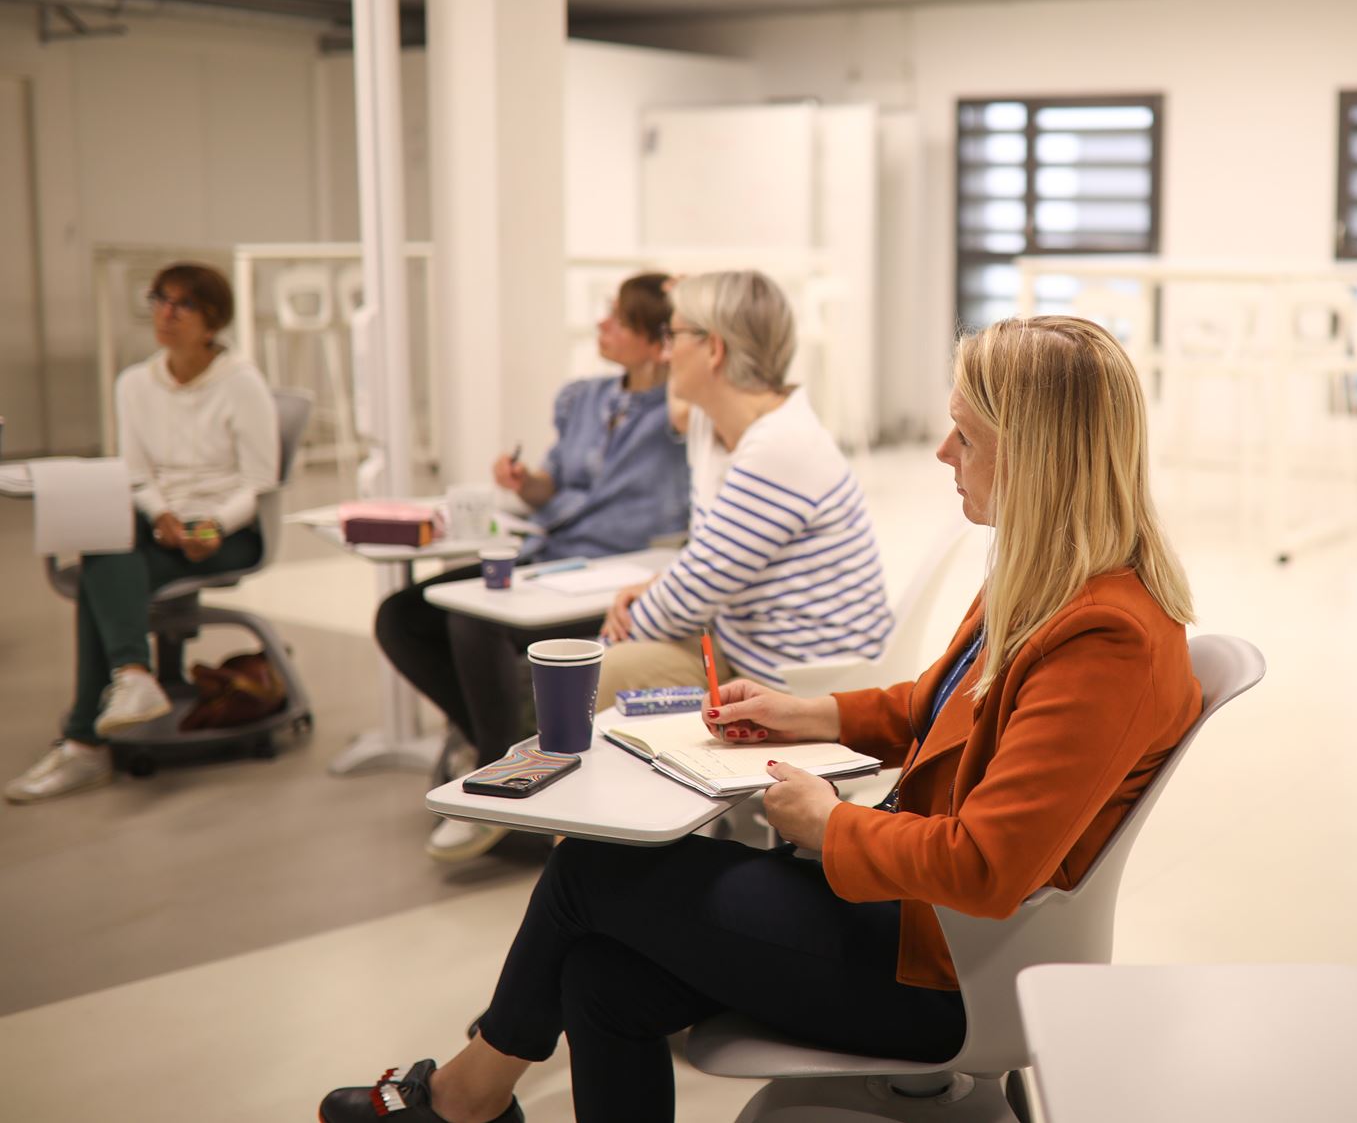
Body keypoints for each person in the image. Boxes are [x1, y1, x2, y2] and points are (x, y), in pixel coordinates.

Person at [318, 315, 1202, 1123]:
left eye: (964, 435)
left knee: (592, 873)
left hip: (950, 971)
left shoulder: (1103, 640)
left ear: (1037, 456)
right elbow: (930, 708)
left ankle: (465, 1097)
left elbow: (985, 865)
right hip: (921, 921)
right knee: (601, 972)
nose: (939, 451)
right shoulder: (1058, 580)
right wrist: (807, 711)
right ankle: (471, 1093)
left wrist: (830, 823)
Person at [374, 272, 692, 862]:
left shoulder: (681, 414)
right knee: (403, 616)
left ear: (658, 340)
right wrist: (527, 483)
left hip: (613, 575)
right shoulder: (584, 398)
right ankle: (491, 743)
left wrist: (688, 307)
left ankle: (505, 781)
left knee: (474, 623)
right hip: (550, 558)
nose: (601, 324)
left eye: (618, 318)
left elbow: (686, 401)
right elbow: (554, 487)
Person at [6, 262, 278, 805]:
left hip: (230, 529)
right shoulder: (134, 384)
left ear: (213, 321)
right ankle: (129, 679)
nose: (165, 314)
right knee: (110, 532)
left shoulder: (242, 384)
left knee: (97, 575)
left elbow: (259, 483)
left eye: (183, 305)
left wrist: (210, 525)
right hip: (162, 525)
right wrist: (160, 515)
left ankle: (89, 739)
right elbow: (135, 474)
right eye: (159, 300)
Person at [596, 269, 890, 690]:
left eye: (672, 336)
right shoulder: (713, 422)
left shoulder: (781, 446)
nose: (664, 354)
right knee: (607, 660)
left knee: (597, 669)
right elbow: (706, 568)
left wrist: (616, 631)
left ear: (714, 349)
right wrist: (652, 589)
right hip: (743, 648)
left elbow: (693, 591)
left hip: (801, 682)